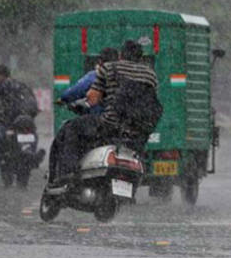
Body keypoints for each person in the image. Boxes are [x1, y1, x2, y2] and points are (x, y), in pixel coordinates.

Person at [47, 40, 159, 185]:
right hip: (139, 130)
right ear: (141, 57)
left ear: (121, 55)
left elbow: (93, 98)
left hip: (111, 125)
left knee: (71, 130)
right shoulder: (151, 75)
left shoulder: (109, 68)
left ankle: (67, 174)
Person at [0, 65, 38, 188]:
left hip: (11, 123)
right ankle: (26, 169)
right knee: (27, 147)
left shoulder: (4, 84)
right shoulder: (21, 85)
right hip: (28, 123)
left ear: (2, 75)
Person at [57, 47, 118, 114]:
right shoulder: (123, 74)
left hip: (101, 116)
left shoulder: (96, 74)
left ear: (100, 61)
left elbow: (78, 89)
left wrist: (63, 98)